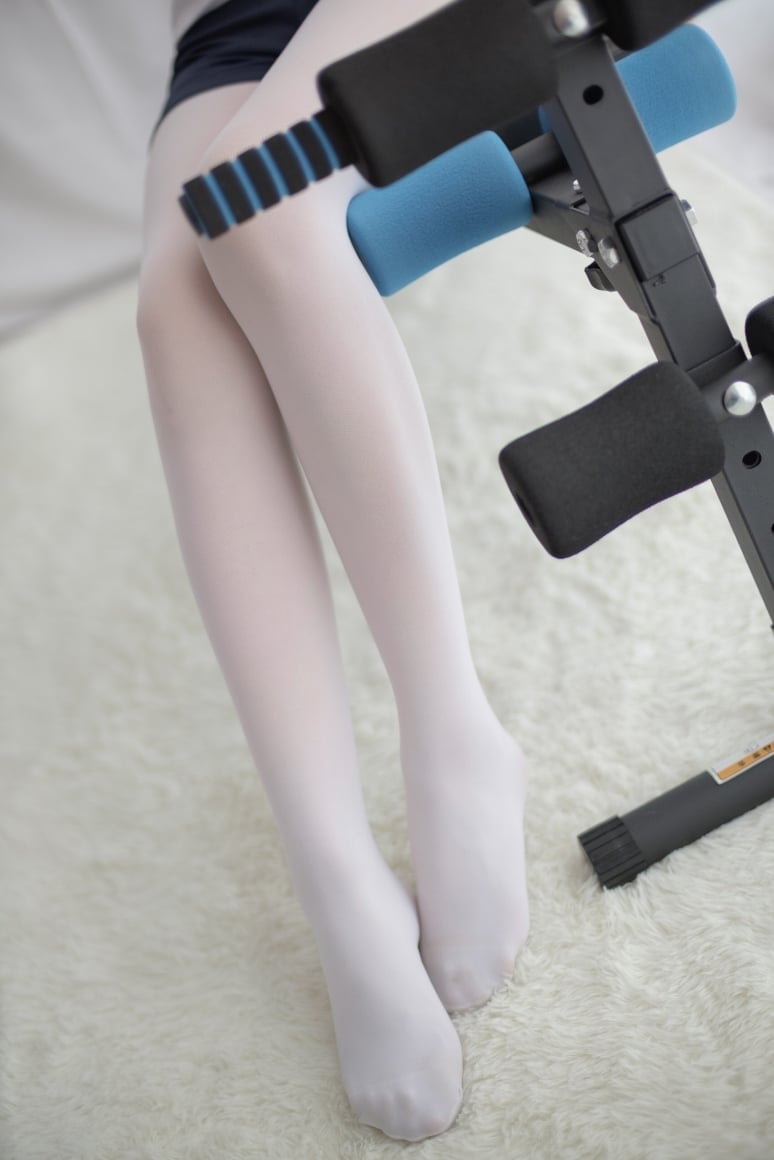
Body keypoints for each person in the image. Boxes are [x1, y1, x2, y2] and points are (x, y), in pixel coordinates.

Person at [136, 0, 529, 1141]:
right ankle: (333, 868)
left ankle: (452, 731)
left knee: (252, 197)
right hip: (239, 23)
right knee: (174, 308)